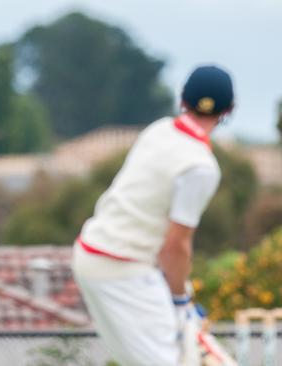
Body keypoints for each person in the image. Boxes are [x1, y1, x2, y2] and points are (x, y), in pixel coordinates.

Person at [72, 65, 234, 365]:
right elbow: (176, 245)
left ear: (183, 100)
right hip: (122, 268)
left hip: (89, 254)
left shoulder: (159, 130)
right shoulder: (201, 166)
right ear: (229, 110)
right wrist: (180, 301)